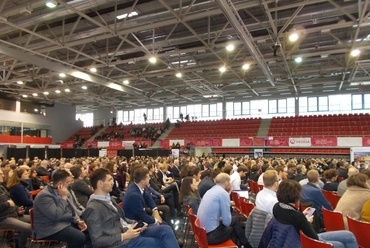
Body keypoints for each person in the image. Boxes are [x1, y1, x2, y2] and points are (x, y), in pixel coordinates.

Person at [82, 168, 178, 248]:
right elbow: (97, 240)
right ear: (100, 184)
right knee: (159, 243)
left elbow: (122, 219)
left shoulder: (109, 198)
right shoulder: (93, 208)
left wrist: (135, 224)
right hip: (121, 242)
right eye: (109, 180)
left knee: (165, 229)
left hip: (130, 231)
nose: (112, 183)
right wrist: (123, 236)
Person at [271, 180, 358, 248]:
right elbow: (314, 238)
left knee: (348, 235)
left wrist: (302, 215)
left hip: (301, 237)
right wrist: (307, 221)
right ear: (295, 195)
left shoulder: (277, 207)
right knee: (341, 243)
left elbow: (293, 220)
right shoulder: (297, 216)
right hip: (310, 241)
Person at [122, 166, 182, 246]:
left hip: (140, 220)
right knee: (164, 227)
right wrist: (155, 221)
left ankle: (173, 241)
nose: (149, 179)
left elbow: (148, 198)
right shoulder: (134, 195)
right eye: (148, 177)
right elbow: (142, 215)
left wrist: (155, 209)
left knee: (164, 225)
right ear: (143, 181)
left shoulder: (137, 187)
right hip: (136, 225)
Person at [33, 169, 90, 248]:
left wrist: (77, 220)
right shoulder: (44, 196)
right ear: (60, 184)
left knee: (89, 230)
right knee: (79, 237)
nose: (69, 184)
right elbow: (56, 216)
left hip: (63, 222)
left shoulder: (61, 191)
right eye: (67, 182)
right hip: (49, 228)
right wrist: (63, 198)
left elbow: (71, 209)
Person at [197, 173, 252, 248]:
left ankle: (244, 244)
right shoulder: (223, 193)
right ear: (226, 183)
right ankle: (245, 245)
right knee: (232, 228)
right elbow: (226, 222)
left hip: (202, 232)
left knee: (234, 221)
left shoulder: (210, 191)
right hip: (211, 236)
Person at [0, 169, 31, 248]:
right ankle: (20, 246)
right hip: (4, 218)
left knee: (36, 218)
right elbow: (8, 203)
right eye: (0, 174)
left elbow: (12, 203)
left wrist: (18, 209)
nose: (3, 175)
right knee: (29, 228)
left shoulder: (2, 187)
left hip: (13, 214)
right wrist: (7, 204)